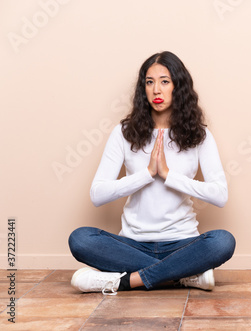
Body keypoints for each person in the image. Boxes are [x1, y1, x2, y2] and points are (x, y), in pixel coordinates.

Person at [68, 51, 236, 295]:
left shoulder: (199, 135)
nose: (157, 90)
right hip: (132, 244)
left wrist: (168, 175)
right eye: (150, 82)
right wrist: (147, 174)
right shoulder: (123, 133)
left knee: (223, 241)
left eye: (165, 81)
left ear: (178, 87)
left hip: (182, 243)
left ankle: (124, 282)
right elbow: (97, 194)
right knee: (80, 239)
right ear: (143, 89)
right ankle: (183, 276)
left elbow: (220, 195)